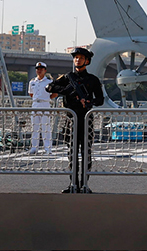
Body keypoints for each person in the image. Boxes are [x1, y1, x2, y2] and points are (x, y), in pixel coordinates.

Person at [46, 47, 104, 192]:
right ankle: (73, 184)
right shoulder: (68, 77)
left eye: (80, 57)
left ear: (87, 61)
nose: (77, 59)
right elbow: (50, 87)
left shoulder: (93, 80)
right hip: (70, 119)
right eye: (75, 57)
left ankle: (85, 184)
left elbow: (101, 99)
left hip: (86, 119)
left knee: (86, 153)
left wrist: (90, 102)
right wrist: (69, 92)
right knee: (72, 153)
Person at [28, 61, 54, 155]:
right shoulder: (32, 82)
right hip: (35, 105)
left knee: (45, 128)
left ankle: (48, 148)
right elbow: (31, 94)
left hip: (45, 104)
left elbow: (54, 94)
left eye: (41, 69)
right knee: (34, 127)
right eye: (38, 69)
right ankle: (34, 148)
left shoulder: (49, 82)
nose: (39, 71)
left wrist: (46, 99)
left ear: (45, 70)